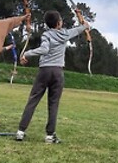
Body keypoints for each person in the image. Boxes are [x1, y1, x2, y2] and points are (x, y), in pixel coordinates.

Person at [15, 10, 90, 144]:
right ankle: (50, 136)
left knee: (33, 100)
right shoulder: (65, 33)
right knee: (53, 104)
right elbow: (84, 27)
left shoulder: (46, 34)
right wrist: (82, 20)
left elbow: (44, 49)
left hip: (44, 71)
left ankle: (21, 132)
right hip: (57, 72)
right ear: (58, 23)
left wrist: (26, 53)